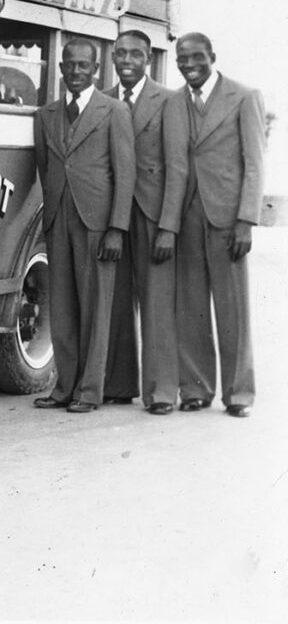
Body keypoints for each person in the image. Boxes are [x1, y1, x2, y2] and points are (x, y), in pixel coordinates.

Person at [32, 38, 135, 413]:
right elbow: (46, 169)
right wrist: (52, 213)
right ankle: (64, 388)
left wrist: (116, 229)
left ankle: (90, 391)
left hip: (98, 223)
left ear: (95, 70)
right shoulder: (45, 115)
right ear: (60, 69)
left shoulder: (114, 110)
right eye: (69, 65)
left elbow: (126, 174)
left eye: (83, 66)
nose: (76, 72)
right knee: (62, 308)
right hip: (60, 218)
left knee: (96, 308)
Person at [168, 32, 265, 417]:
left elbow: (255, 163)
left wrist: (246, 220)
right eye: (181, 59)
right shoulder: (177, 101)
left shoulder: (243, 96)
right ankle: (195, 389)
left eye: (196, 57)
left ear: (212, 56)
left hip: (227, 219)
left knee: (233, 312)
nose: (188, 65)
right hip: (188, 216)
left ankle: (239, 395)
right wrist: (169, 224)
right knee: (190, 308)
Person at [100, 31, 188, 414]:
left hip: (153, 214)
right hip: (113, 215)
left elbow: (178, 167)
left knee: (156, 300)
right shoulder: (102, 99)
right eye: (120, 54)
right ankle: (118, 384)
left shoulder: (169, 101)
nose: (126, 61)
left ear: (148, 58)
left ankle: (162, 391)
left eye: (135, 54)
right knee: (115, 299)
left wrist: (169, 225)